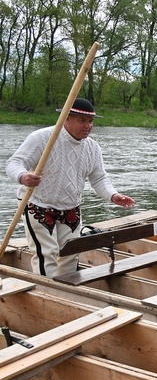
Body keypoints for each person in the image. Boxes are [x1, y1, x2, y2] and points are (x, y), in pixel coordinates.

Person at [6, 98, 135, 278]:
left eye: (90, 121)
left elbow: (98, 178)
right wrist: (23, 176)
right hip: (38, 205)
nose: (88, 126)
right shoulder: (42, 138)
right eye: (82, 120)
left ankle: (66, 292)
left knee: (71, 252)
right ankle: (48, 295)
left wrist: (113, 196)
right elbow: (14, 163)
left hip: (70, 208)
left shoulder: (92, 147)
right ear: (66, 119)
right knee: (47, 253)